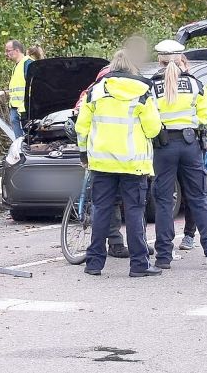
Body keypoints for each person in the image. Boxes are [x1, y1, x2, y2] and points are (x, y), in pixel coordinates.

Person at [75, 50, 163, 277]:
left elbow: (81, 127)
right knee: (134, 213)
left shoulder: (95, 91)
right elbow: (153, 128)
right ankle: (139, 265)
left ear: (112, 67)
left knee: (101, 211)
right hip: (133, 164)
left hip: (102, 163)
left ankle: (94, 264)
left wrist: (84, 153)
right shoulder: (143, 91)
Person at [150, 39, 207, 270]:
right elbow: (206, 118)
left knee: (164, 202)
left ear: (160, 60)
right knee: (199, 199)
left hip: (163, 146)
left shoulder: (152, 86)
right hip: (191, 144)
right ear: (181, 59)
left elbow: (148, 119)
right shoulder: (194, 84)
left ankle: (163, 255)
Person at [4, 40, 33, 137]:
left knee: (28, 139)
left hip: (25, 109)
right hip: (16, 108)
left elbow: (33, 86)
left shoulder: (28, 64)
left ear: (17, 50)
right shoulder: (17, 66)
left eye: (8, 51)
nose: (6, 54)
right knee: (19, 141)